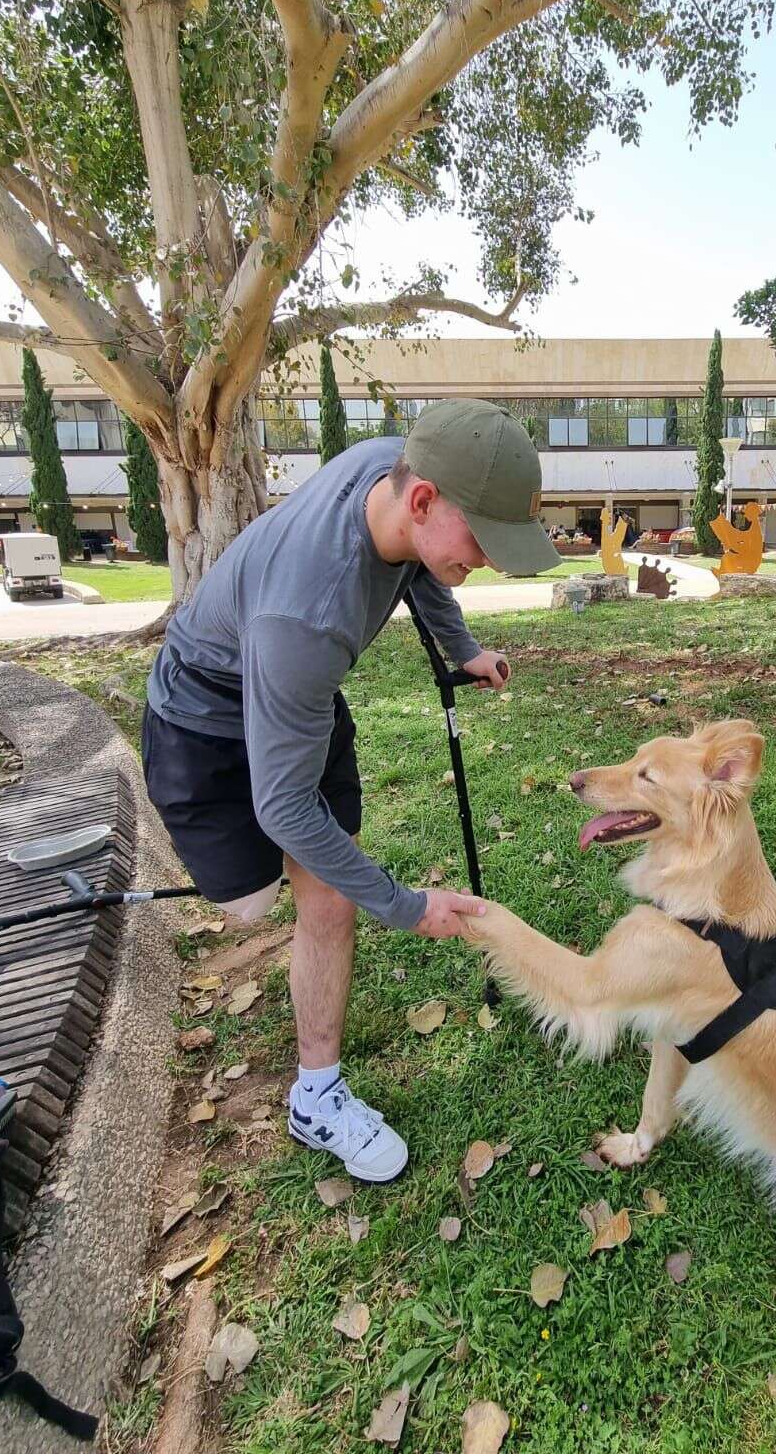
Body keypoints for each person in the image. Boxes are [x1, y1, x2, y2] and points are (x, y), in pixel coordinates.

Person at [142, 400, 559, 1182]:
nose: (493, 562)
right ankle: (229, 867)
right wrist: (406, 906)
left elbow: (423, 566)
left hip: (296, 702)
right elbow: (286, 806)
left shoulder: (395, 474)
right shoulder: (310, 612)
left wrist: (460, 647)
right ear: (425, 500)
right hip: (205, 715)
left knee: (328, 895)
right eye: (485, 543)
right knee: (250, 904)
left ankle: (316, 1095)